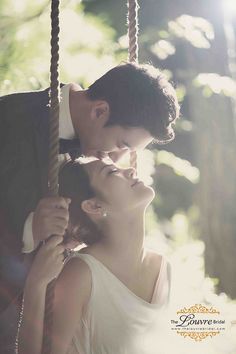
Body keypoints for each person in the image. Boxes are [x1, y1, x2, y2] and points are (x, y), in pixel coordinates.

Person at [0, 62, 179, 313]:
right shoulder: (9, 120)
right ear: (99, 111)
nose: (117, 158)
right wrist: (29, 231)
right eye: (122, 144)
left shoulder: (97, 166)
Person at [17, 158, 172, 354]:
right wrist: (36, 284)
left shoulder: (163, 269)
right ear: (94, 207)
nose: (131, 170)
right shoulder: (82, 274)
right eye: (112, 172)